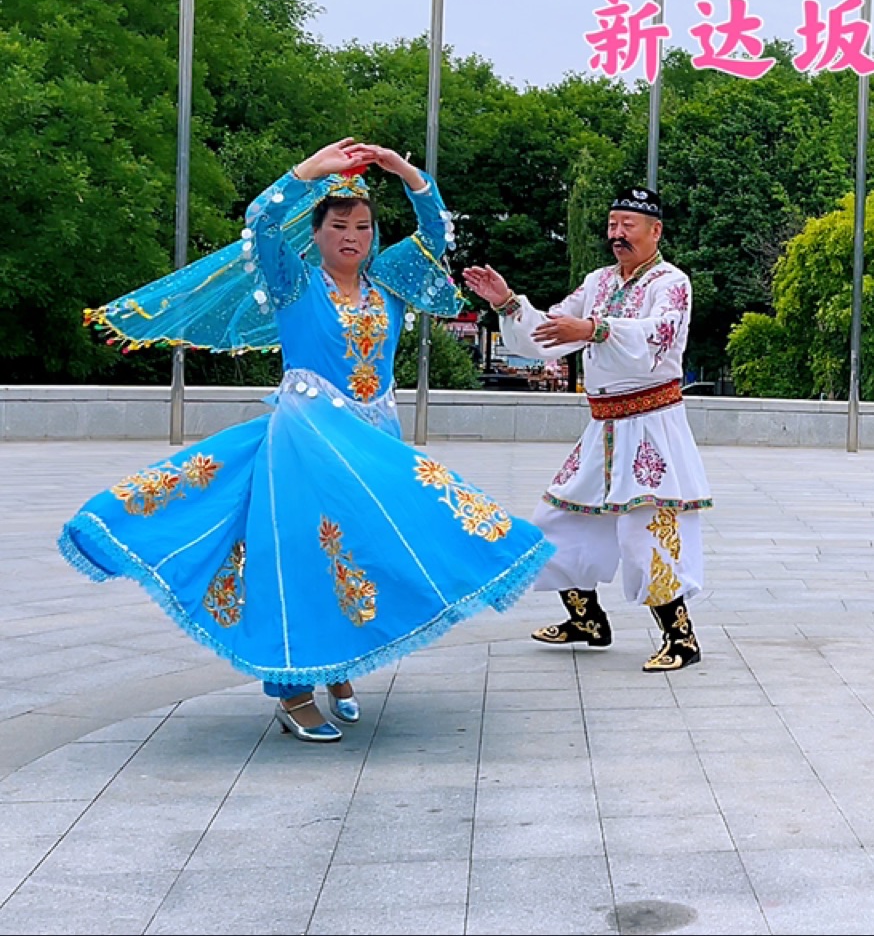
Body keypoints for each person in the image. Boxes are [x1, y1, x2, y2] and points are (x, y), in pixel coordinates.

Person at [64, 140, 555, 742]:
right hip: (306, 438)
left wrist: (406, 173)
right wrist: (305, 173)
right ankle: (293, 688)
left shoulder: (391, 284)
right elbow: (259, 222)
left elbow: (436, 233)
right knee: (298, 554)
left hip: (373, 435)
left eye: (364, 226)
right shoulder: (295, 282)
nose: (353, 235)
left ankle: (339, 665)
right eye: (340, 225)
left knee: (367, 551)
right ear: (316, 233)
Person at [461, 186, 712, 672]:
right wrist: (509, 303)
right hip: (603, 427)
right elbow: (552, 332)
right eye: (613, 224)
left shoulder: (671, 281)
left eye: (628, 225)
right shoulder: (597, 282)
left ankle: (681, 638)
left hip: (650, 426)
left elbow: (661, 334)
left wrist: (596, 329)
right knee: (556, 520)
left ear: (655, 230)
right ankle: (587, 619)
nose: (617, 234)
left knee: (647, 530)